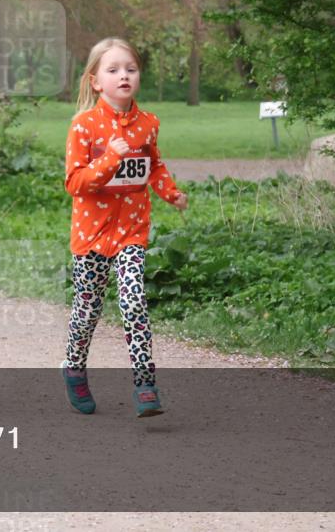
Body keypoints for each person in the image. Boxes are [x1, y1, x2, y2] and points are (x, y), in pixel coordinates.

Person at [61, 37, 188, 417]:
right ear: (96, 80)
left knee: (134, 302)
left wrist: (171, 193)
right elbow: (75, 183)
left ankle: (145, 384)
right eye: (113, 70)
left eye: (130, 69)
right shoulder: (84, 127)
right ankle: (74, 369)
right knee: (87, 313)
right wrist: (109, 160)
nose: (124, 76)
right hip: (91, 238)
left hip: (132, 232)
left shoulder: (148, 124)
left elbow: (155, 165)